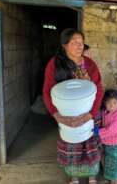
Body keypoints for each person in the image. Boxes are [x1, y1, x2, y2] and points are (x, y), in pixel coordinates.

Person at [43, 28, 104, 184]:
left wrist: (90, 114)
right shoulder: (55, 64)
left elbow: (99, 89)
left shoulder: (90, 64)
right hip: (67, 117)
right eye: (74, 42)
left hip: (90, 115)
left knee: (91, 144)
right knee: (72, 147)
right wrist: (57, 115)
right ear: (64, 45)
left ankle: (92, 175)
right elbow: (47, 91)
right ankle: (74, 176)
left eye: (81, 43)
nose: (79, 46)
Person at [95, 89, 117, 184]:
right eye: (108, 103)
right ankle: (111, 180)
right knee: (109, 165)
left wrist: (97, 132)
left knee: (116, 167)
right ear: (104, 103)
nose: (112, 105)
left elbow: (111, 130)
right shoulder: (105, 112)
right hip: (108, 144)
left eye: (114, 103)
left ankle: (115, 182)